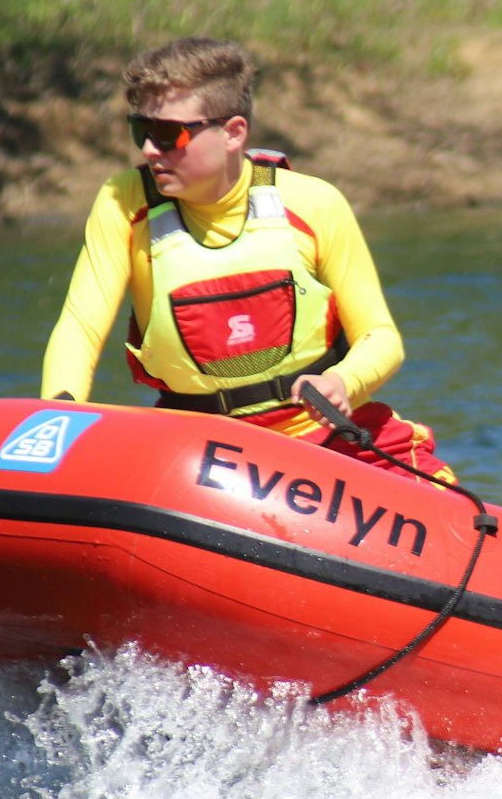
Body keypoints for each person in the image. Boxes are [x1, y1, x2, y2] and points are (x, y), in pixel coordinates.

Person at [40, 36, 454, 482]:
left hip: (320, 434)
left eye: (167, 135)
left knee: (460, 512)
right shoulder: (122, 203)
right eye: (141, 131)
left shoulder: (314, 203)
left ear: (234, 132)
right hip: (196, 449)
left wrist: (341, 383)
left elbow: (380, 336)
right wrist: (58, 421)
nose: (149, 151)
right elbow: (80, 329)